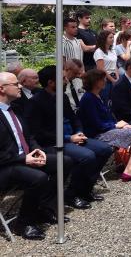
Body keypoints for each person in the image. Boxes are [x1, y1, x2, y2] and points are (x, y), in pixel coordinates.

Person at [25, 65, 113, 209]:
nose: (67, 81)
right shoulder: (35, 102)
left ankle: (85, 189)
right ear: (51, 82)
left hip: (72, 137)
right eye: (63, 79)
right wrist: (68, 138)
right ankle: (72, 194)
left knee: (105, 149)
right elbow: (38, 132)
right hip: (52, 143)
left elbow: (74, 118)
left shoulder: (63, 97)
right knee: (87, 156)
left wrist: (79, 131)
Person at [0, 72, 73, 240]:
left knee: (63, 162)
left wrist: (37, 150)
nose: (20, 86)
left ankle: (42, 208)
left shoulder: (15, 109)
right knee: (38, 178)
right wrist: (23, 158)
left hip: (23, 159)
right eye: (15, 84)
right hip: (5, 166)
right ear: (2, 89)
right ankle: (23, 223)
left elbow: (29, 136)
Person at [78, 69, 131, 185]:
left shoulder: (97, 96)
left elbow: (107, 117)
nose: (105, 81)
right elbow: (96, 124)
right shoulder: (88, 98)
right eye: (102, 79)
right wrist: (116, 125)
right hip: (97, 135)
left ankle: (130, 169)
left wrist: (121, 125)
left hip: (106, 130)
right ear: (95, 82)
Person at [94, 30, 119, 105]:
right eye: (110, 38)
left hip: (114, 77)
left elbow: (115, 65)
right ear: (104, 39)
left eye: (113, 37)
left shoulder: (112, 51)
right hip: (105, 79)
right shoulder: (99, 52)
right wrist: (112, 80)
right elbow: (101, 69)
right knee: (105, 100)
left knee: (114, 101)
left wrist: (117, 78)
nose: (112, 39)